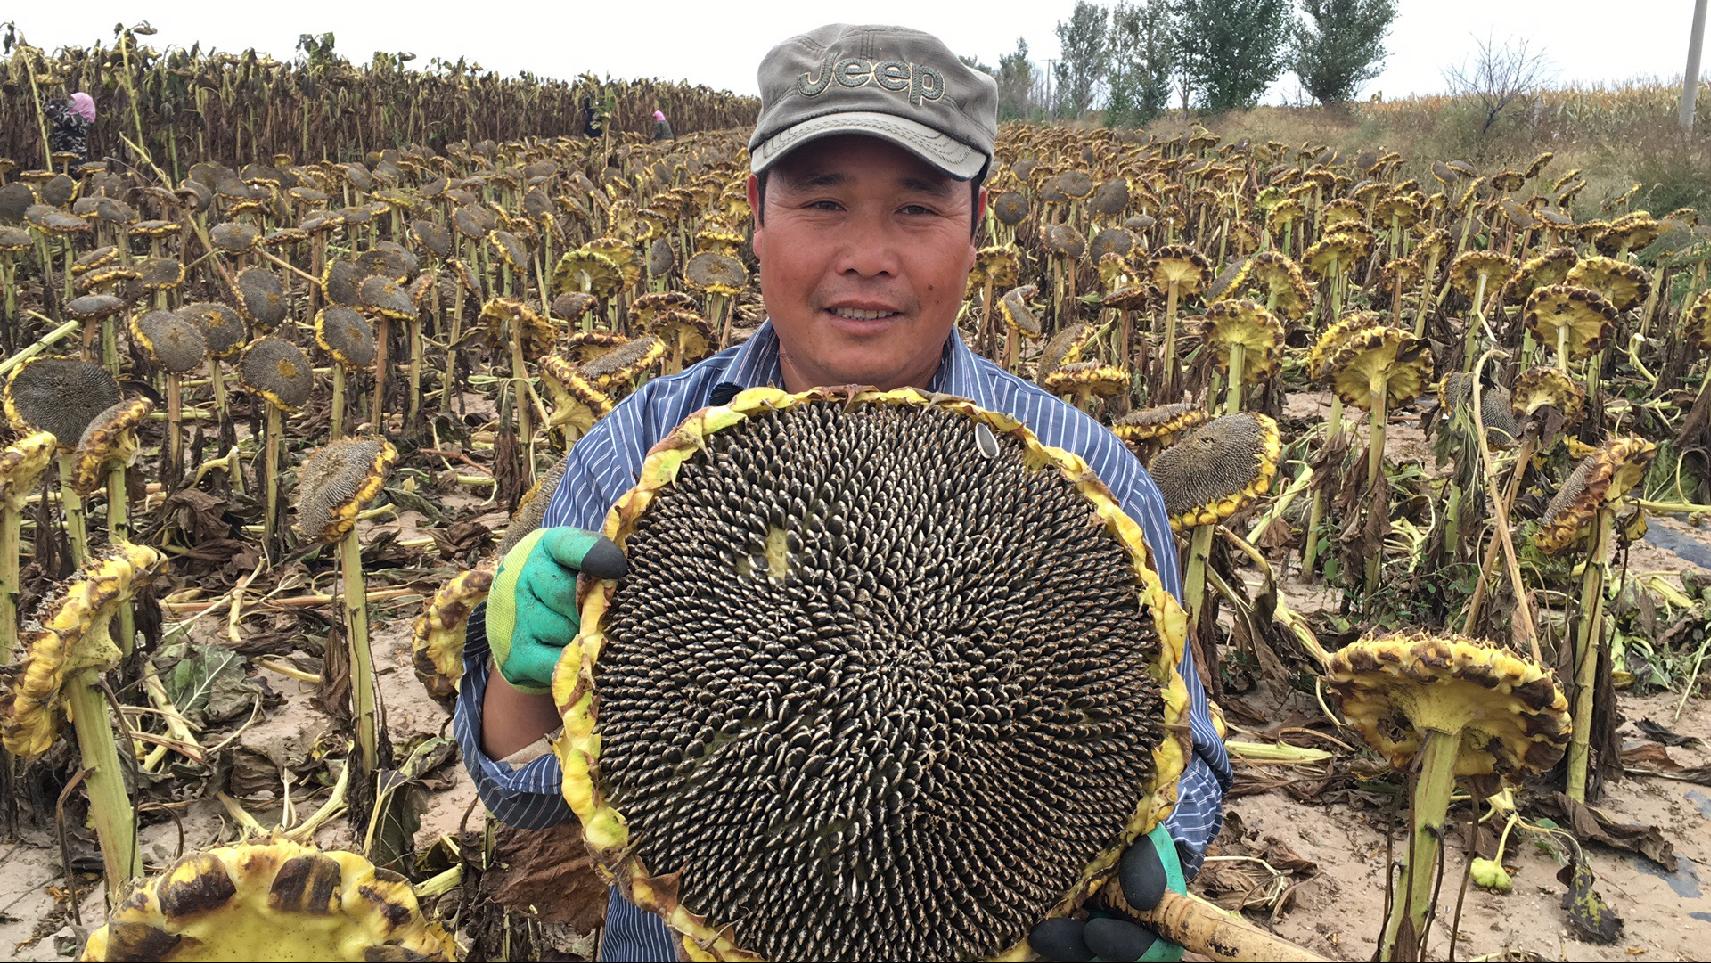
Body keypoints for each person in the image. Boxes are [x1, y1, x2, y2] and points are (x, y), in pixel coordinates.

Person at [456, 23, 1231, 963]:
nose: (868, 255)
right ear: (757, 212)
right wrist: (518, 675)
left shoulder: (1089, 476)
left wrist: (1146, 865)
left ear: (975, 225)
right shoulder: (629, 456)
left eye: (915, 210)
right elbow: (530, 792)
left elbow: (1182, 751)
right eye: (823, 202)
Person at [45, 91, 95, 162]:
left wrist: (50, 108)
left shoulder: (82, 120)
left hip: (75, 160)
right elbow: (63, 113)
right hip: (61, 158)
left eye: (74, 101)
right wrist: (57, 104)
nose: (71, 102)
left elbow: (63, 119)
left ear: (82, 104)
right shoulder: (72, 115)